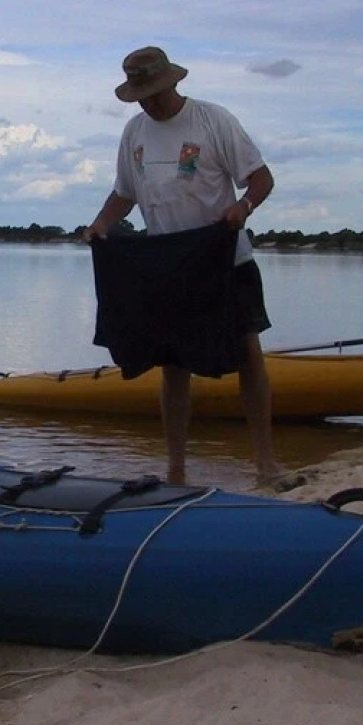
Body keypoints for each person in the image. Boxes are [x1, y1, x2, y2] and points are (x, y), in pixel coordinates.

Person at [84, 46, 284, 484]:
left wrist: (244, 206)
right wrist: (100, 223)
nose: (148, 102)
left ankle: (266, 463)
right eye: (140, 95)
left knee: (249, 355)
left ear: (173, 82)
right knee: (172, 365)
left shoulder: (214, 120)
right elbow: (124, 194)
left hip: (226, 260)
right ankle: (176, 469)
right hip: (168, 265)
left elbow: (261, 178)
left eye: (154, 92)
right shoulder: (134, 132)